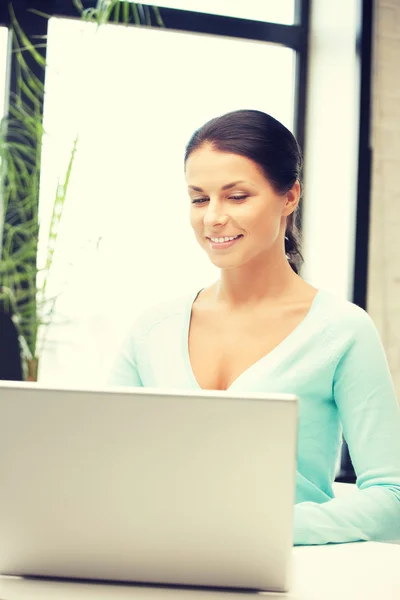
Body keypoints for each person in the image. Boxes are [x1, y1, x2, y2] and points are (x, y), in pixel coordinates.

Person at [108, 109, 400, 546]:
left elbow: (391, 498)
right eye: (199, 198)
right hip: (157, 567)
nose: (213, 218)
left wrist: (260, 529)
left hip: (289, 574)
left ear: (289, 197)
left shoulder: (343, 330)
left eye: (237, 196)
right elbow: (102, 468)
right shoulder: (152, 329)